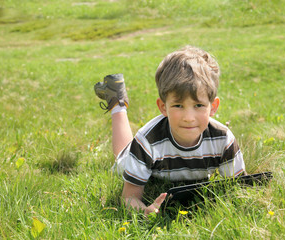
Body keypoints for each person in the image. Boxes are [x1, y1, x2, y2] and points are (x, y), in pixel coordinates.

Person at [94, 46, 246, 215]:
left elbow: (238, 188)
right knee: (123, 155)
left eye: (198, 105)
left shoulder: (223, 139)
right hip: (144, 157)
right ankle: (117, 102)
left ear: (213, 107)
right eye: (178, 105)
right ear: (163, 107)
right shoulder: (147, 141)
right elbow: (128, 197)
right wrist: (144, 211)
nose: (189, 117)